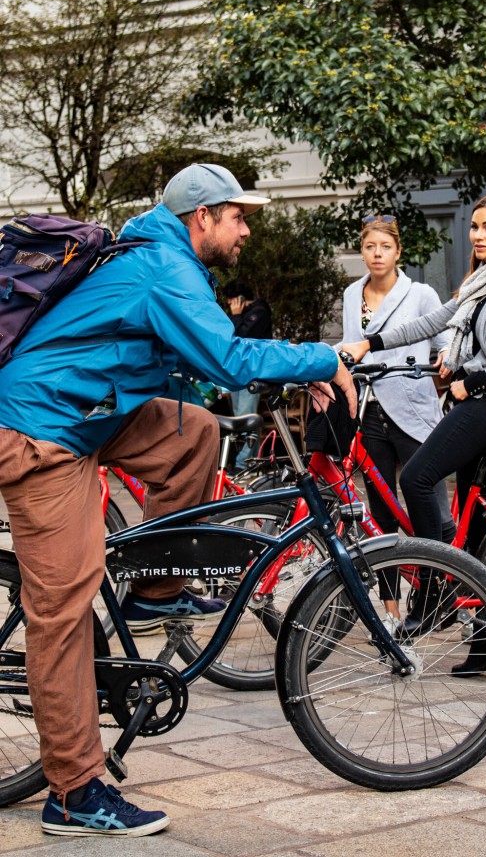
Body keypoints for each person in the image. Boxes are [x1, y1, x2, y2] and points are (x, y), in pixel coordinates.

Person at [0, 162, 355, 837]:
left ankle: (154, 592)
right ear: (203, 219)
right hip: (41, 428)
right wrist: (320, 359)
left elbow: (184, 358)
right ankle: (74, 794)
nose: (246, 229)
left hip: (95, 411)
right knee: (64, 609)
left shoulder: (157, 255)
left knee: (192, 431)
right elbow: (229, 361)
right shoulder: (164, 267)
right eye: (238, 216)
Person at [342, 194, 486, 661]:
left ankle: (434, 590)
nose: (478, 235)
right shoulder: (478, 283)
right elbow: (432, 322)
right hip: (476, 400)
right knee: (474, 524)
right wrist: (368, 343)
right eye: (475, 227)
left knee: (417, 477)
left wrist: (473, 380)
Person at [339, 214, 455, 635]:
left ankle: (438, 594)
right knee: (382, 513)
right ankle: (389, 609)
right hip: (369, 410)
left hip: (413, 406)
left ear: (398, 251)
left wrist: (447, 359)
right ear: (362, 250)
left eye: (385, 247)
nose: (377, 254)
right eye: (370, 246)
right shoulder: (352, 293)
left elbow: (444, 342)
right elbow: (350, 346)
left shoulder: (421, 294)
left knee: (432, 507)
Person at [222, 278, 273, 468]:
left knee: (245, 415)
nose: (229, 304)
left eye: (231, 299)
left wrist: (235, 316)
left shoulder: (260, 312)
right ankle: (253, 461)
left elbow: (240, 337)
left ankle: (243, 464)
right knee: (243, 418)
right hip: (240, 374)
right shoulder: (246, 314)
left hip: (252, 374)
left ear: (240, 298)